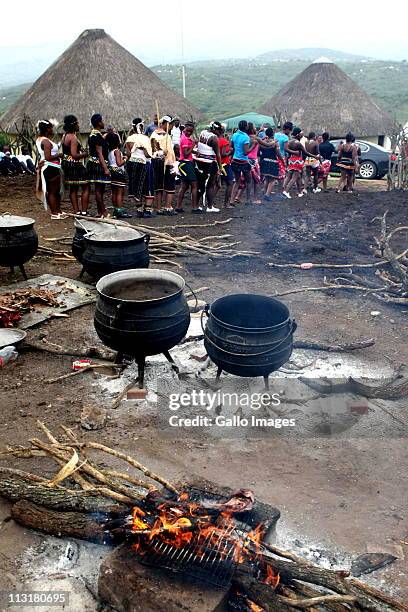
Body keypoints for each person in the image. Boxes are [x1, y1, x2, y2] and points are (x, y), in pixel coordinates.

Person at [35, 119, 65, 219]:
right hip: (51, 167)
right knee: (53, 191)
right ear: (47, 129)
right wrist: (59, 155)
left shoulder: (40, 139)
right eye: (51, 128)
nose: (52, 130)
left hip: (48, 167)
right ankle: (54, 213)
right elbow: (48, 157)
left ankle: (58, 211)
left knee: (54, 191)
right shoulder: (46, 141)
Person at [61, 115, 90, 215]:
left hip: (66, 164)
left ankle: (76, 211)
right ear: (73, 125)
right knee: (86, 186)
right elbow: (74, 155)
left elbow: (68, 151)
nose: (79, 125)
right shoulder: (73, 137)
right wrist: (85, 154)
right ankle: (84, 211)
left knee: (73, 188)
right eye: (77, 123)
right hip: (74, 165)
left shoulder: (64, 136)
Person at [125, 118, 154, 218]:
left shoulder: (129, 138)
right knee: (148, 186)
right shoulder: (145, 139)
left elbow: (128, 153)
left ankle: (139, 209)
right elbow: (147, 155)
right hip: (143, 164)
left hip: (131, 164)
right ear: (141, 127)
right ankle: (147, 210)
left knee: (135, 186)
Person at [194, 121, 223, 212]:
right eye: (220, 131)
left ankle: (197, 205)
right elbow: (218, 154)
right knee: (210, 185)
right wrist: (220, 167)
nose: (220, 133)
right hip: (209, 163)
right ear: (216, 129)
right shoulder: (214, 138)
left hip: (200, 162)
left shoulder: (203, 133)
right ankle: (210, 207)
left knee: (200, 184)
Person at [151, 115, 177, 215]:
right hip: (165, 162)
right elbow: (168, 152)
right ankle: (167, 207)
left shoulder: (154, 134)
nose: (171, 127)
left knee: (159, 185)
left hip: (157, 161)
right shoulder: (165, 136)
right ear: (166, 124)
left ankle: (159, 207)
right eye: (171, 125)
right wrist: (173, 165)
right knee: (169, 185)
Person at [283, 127, 319, 199]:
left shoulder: (290, 141)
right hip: (298, 161)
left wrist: (289, 158)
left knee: (297, 177)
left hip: (291, 160)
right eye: (300, 134)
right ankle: (286, 191)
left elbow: (286, 150)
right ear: (298, 134)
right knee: (294, 177)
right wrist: (315, 156)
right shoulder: (298, 143)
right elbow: (306, 153)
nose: (301, 135)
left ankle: (300, 192)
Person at [86, 113, 110, 217]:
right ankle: (103, 212)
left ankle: (100, 212)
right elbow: (99, 152)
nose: (103, 122)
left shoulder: (94, 135)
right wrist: (105, 168)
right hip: (98, 164)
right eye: (102, 121)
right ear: (99, 123)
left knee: (99, 189)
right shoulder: (96, 136)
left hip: (94, 163)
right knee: (99, 189)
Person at [177, 122, 202, 214]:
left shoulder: (184, 137)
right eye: (188, 131)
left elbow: (187, 152)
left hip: (184, 163)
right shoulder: (184, 139)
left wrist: (194, 152)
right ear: (185, 129)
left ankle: (178, 206)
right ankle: (194, 207)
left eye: (190, 132)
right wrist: (193, 145)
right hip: (186, 164)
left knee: (184, 186)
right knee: (194, 185)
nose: (189, 133)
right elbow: (186, 153)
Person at [230, 119, 255, 205]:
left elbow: (232, 147)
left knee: (237, 181)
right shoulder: (246, 137)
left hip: (234, 160)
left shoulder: (234, 135)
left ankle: (231, 200)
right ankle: (248, 200)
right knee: (248, 181)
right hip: (243, 162)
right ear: (246, 127)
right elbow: (246, 152)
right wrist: (253, 146)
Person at [106, 131, 130, 219]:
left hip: (112, 172)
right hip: (119, 173)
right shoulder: (117, 151)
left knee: (114, 193)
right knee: (120, 193)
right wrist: (125, 159)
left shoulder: (110, 152)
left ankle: (116, 209)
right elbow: (119, 163)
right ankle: (120, 210)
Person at [257, 127, 285, 201]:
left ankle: (265, 193)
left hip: (264, 161)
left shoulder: (263, 141)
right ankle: (267, 195)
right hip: (273, 161)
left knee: (267, 178)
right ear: (273, 134)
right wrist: (282, 161)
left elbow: (258, 152)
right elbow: (278, 153)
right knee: (272, 179)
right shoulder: (275, 142)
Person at [217, 130, 235, 209]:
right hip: (224, 164)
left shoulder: (215, 140)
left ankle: (209, 204)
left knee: (216, 185)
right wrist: (230, 152)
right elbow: (223, 154)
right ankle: (226, 204)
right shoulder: (224, 141)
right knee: (230, 183)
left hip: (217, 163)